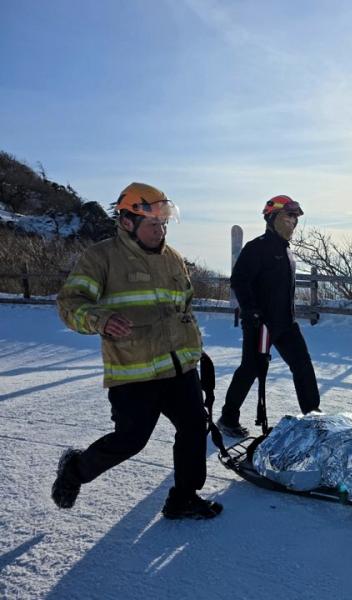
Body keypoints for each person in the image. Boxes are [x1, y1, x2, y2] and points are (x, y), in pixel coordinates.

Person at [51, 182, 222, 520]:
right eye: (152, 225)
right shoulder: (101, 257)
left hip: (179, 368)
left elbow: (183, 307)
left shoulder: (173, 258)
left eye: (163, 224)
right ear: (127, 222)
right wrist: (99, 320)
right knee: (130, 441)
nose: (160, 232)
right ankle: (76, 470)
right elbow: (70, 304)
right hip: (134, 372)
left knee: (193, 427)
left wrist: (193, 351)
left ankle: (183, 498)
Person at [216, 195, 320, 437]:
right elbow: (239, 280)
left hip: (286, 322)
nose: (293, 223)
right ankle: (228, 417)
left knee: (302, 365)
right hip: (259, 323)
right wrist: (251, 310)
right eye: (288, 217)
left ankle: (313, 414)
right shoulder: (257, 247)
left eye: (295, 218)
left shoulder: (287, 252)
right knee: (250, 369)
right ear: (272, 218)